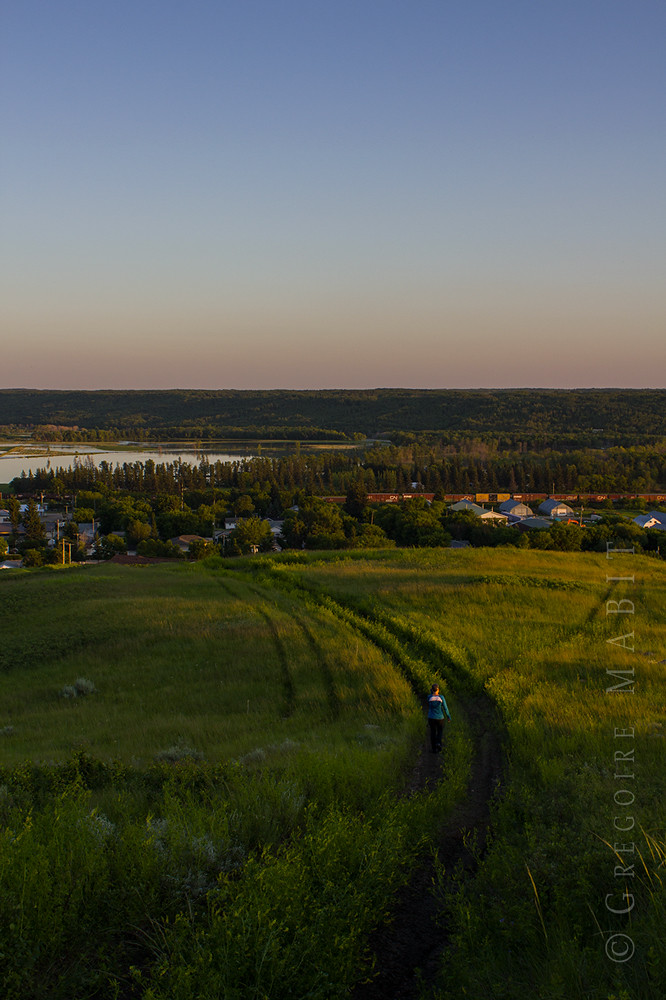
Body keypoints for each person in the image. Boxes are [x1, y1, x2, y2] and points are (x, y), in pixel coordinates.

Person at [427, 683, 451, 753]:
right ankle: (438, 743)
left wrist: (431, 692)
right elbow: (445, 708)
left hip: (431, 717)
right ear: (438, 689)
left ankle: (434, 749)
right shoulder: (441, 697)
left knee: (433, 732)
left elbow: (430, 695)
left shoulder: (429, 697)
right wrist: (448, 716)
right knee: (440, 731)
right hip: (440, 718)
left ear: (432, 689)